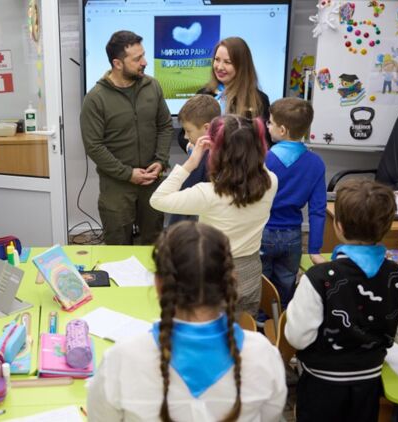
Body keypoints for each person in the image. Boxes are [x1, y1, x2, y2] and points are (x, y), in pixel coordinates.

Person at [87, 221, 287, 421]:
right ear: (230, 282)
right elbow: (271, 416)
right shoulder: (265, 355)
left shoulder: (121, 359)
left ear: (159, 285)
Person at [284, 180, 398, 422]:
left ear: (338, 226)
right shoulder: (397, 276)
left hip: (320, 385)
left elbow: (297, 338)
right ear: (388, 226)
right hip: (368, 383)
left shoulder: (318, 278)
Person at [150, 115, 277, 315]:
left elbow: (158, 199)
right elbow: (256, 166)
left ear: (217, 153)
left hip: (215, 274)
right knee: (242, 324)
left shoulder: (208, 193)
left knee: (210, 322)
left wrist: (191, 162)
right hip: (250, 275)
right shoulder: (271, 181)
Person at [81, 30, 173, 245]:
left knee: (154, 245)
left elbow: (165, 126)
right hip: (116, 187)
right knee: (117, 245)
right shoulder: (95, 99)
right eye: (137, 59)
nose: (145, 62)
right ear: (117, 63)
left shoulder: (153, 86)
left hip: (151, 181)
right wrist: (128, 174)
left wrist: (160, 161)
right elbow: (94, 146)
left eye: (143, 55)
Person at [261, 98, 326, 309]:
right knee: (287, 281)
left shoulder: (263, 159)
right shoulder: (316, 163)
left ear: (282, 130)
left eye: (270, 122)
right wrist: (314, 249)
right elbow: (317, 210)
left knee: (261, 281)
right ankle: (283, 316)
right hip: (293, 236)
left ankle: (261, 320)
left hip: (262, 232)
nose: (267, 126)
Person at [177, 37, 271, 152]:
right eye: (217, 60)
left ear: (242, 66)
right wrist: (193, 148)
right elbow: (183, 134)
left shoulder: (258, 100)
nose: (219, 67)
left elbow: (265, 142)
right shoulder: (204, 94)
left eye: (227, 62)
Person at [167, 94, 221, 226]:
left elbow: (178, 204)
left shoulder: (203, 159)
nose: (185, 137)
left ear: (207, 128)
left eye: (188, 131)